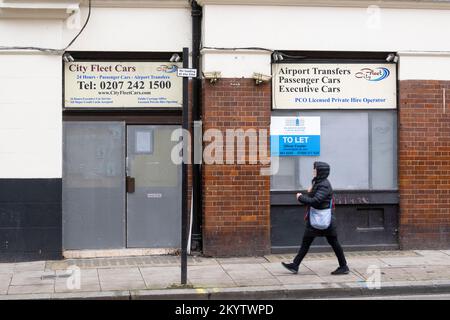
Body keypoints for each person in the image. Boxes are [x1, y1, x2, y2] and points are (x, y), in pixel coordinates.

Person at [281, 161, 350, 275]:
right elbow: (316, 197)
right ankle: (295, 265)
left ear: (321, 172)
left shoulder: (324, 184)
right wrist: (311, 191)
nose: (313, 171)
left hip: (322, 219)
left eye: (315, 169)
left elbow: (315, 201)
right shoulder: (318, 182)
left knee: (331, 242)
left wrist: (301, 197)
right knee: (311, 242)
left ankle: (343, 266)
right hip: (317, 218)